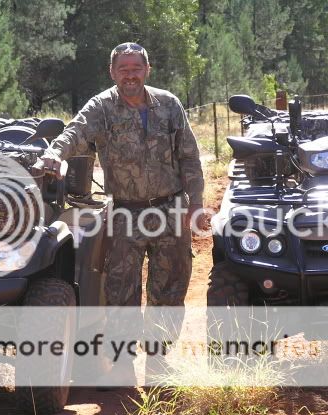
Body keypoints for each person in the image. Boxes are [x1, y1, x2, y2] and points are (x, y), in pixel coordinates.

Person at [40, 42, 205, 308]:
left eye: (136, 68)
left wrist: (195, 203)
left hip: (172, 210)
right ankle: (125, 338)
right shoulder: (101, 107)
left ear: (147, 69)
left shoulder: (169, 104)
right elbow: (74, 132)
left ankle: (160, 337)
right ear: (112, 72)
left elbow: (189, 158)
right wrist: (54, 154)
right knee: (120, 294)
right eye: (123, 69)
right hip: (124, 214)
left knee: (171, 292)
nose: (130, 75)